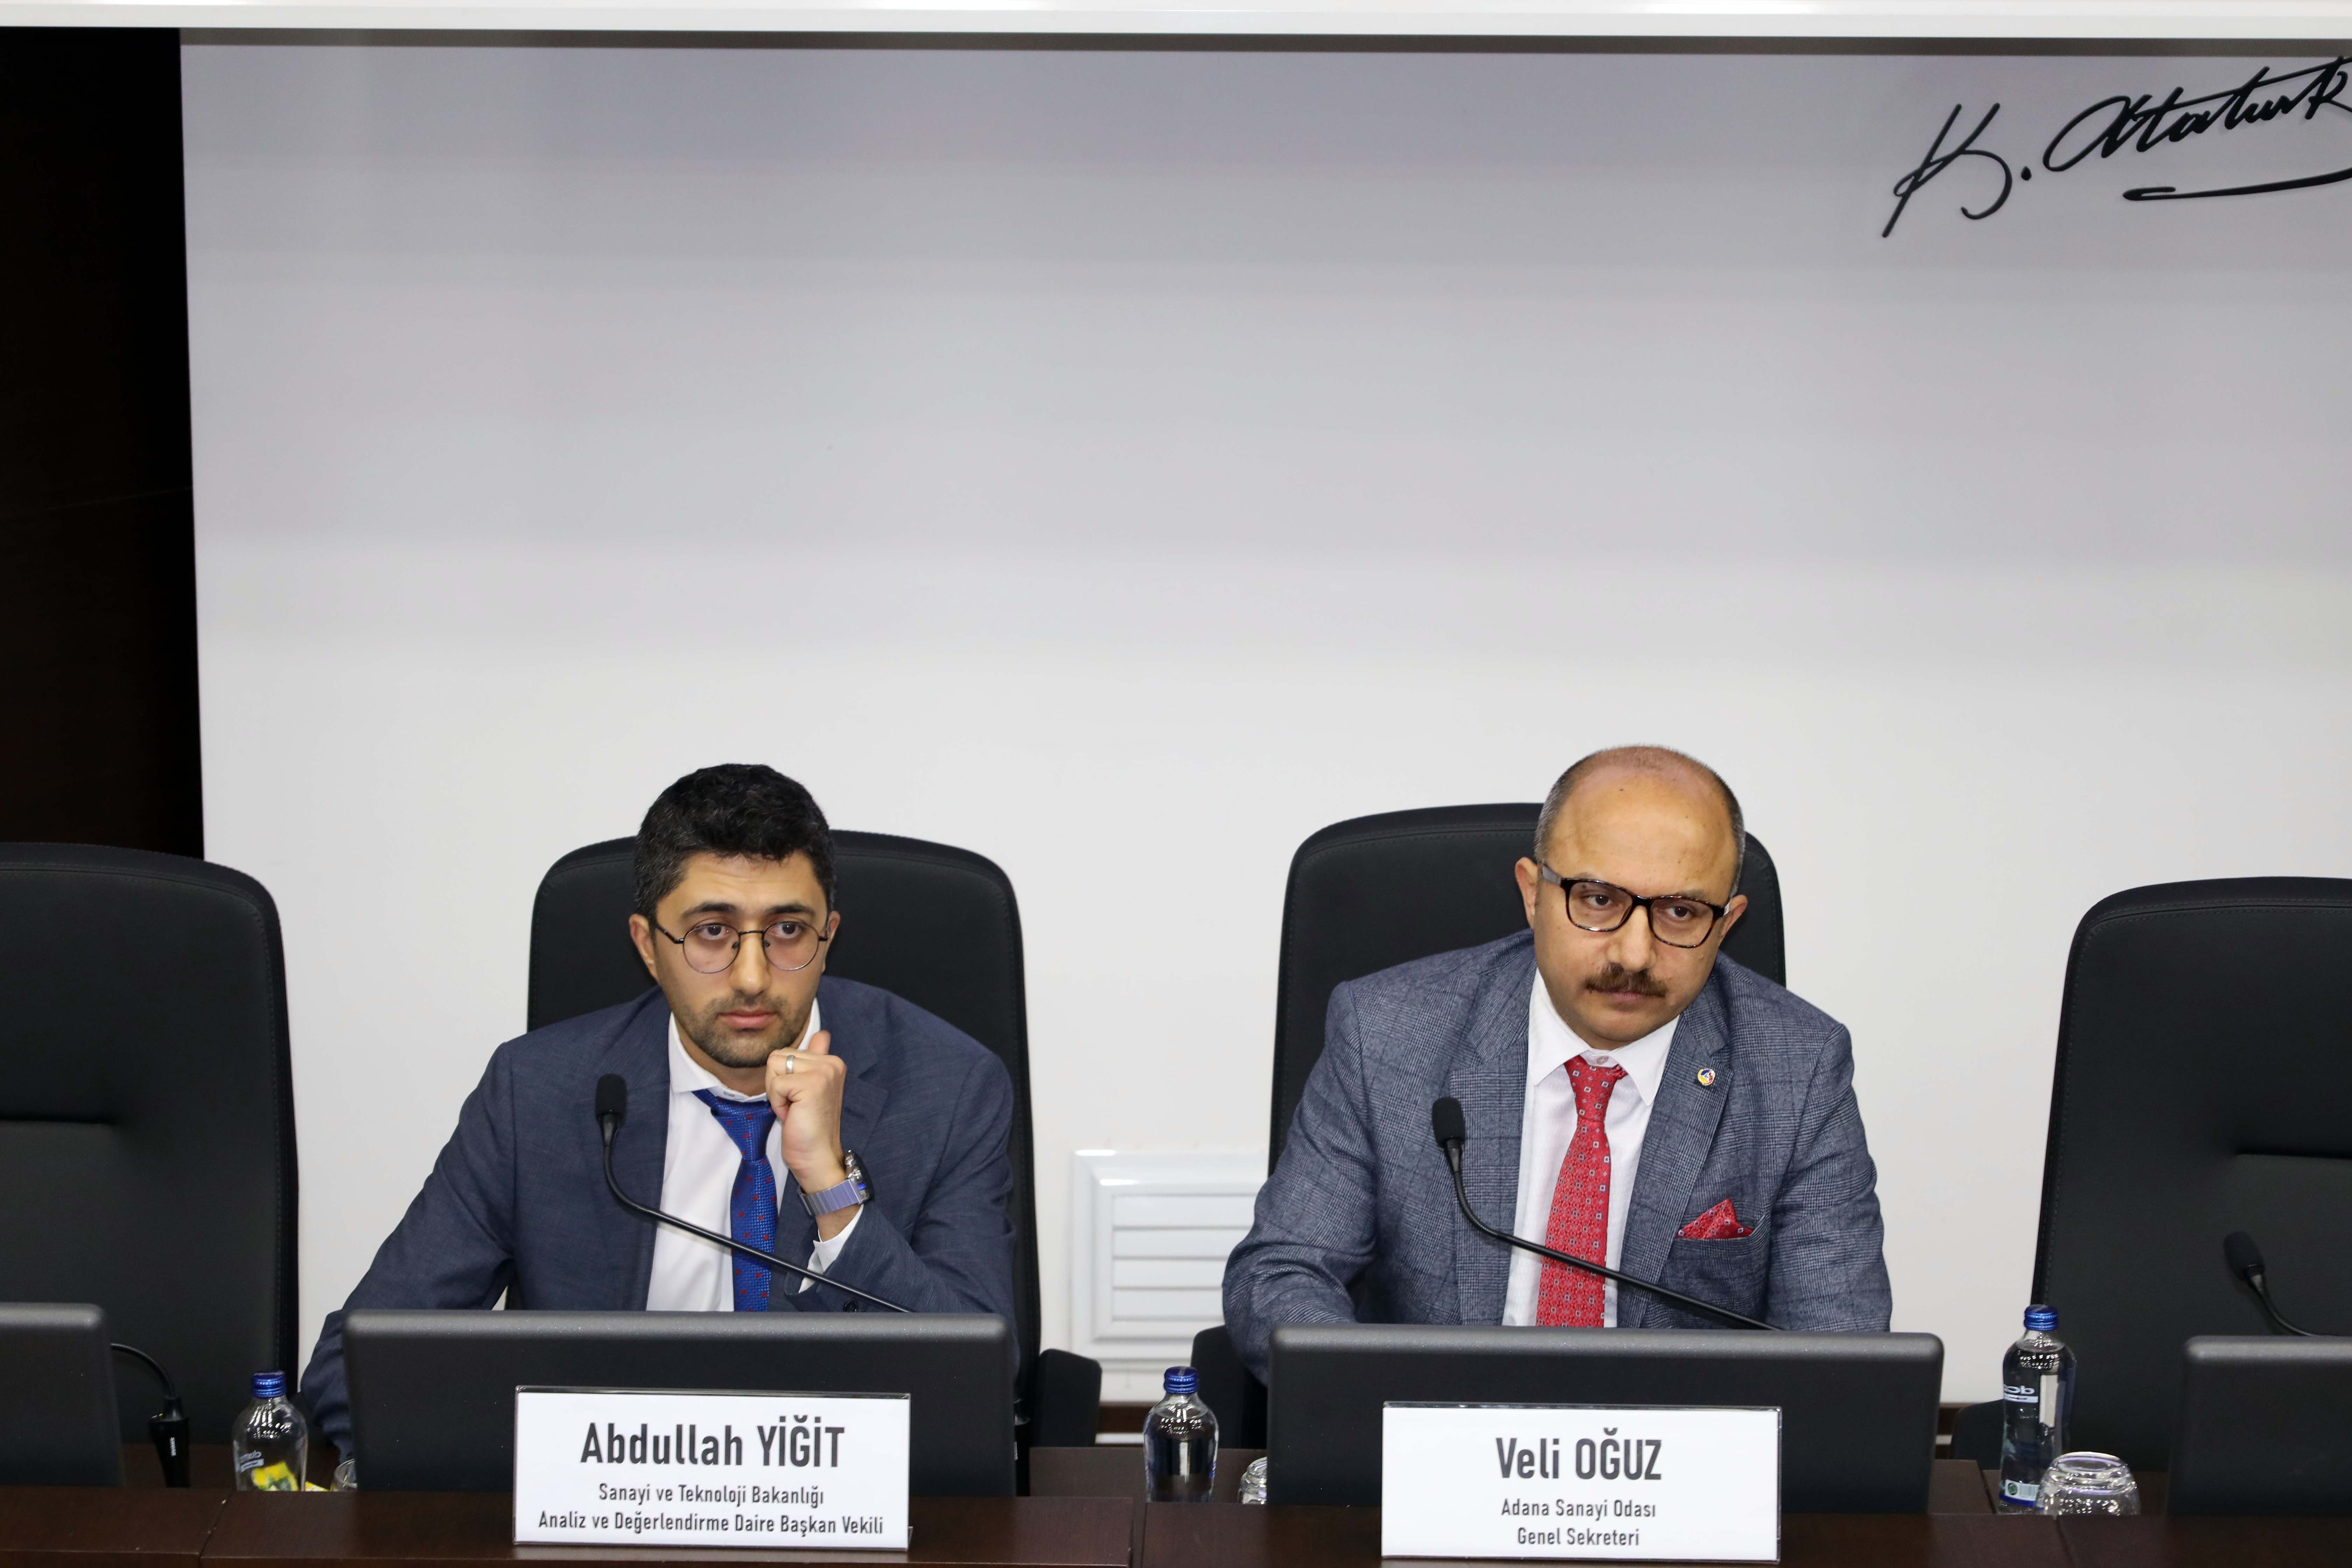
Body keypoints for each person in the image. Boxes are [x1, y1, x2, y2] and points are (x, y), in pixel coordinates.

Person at [299, 764, 1016, 1449]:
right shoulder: (536, 1094)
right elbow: (350, 1373)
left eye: (788, 931)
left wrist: (832, 1190)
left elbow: (979, 1384)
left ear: (828, 936)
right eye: (712, 931)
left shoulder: (949, 1090)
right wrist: (551, 1470)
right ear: (648, 945)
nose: (752, 976)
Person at [1223, 746, 1889, 1378]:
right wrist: (1398, 1424)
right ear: (1533, 894)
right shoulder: (1387, 1034)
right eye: (1599, 900)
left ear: (1727, 922)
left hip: (1672, 1446)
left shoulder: (1800, 1069)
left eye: (1681, 912)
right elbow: (1282, 1276)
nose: (1633, 954)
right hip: (1438, 1423)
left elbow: (1837, 1351)